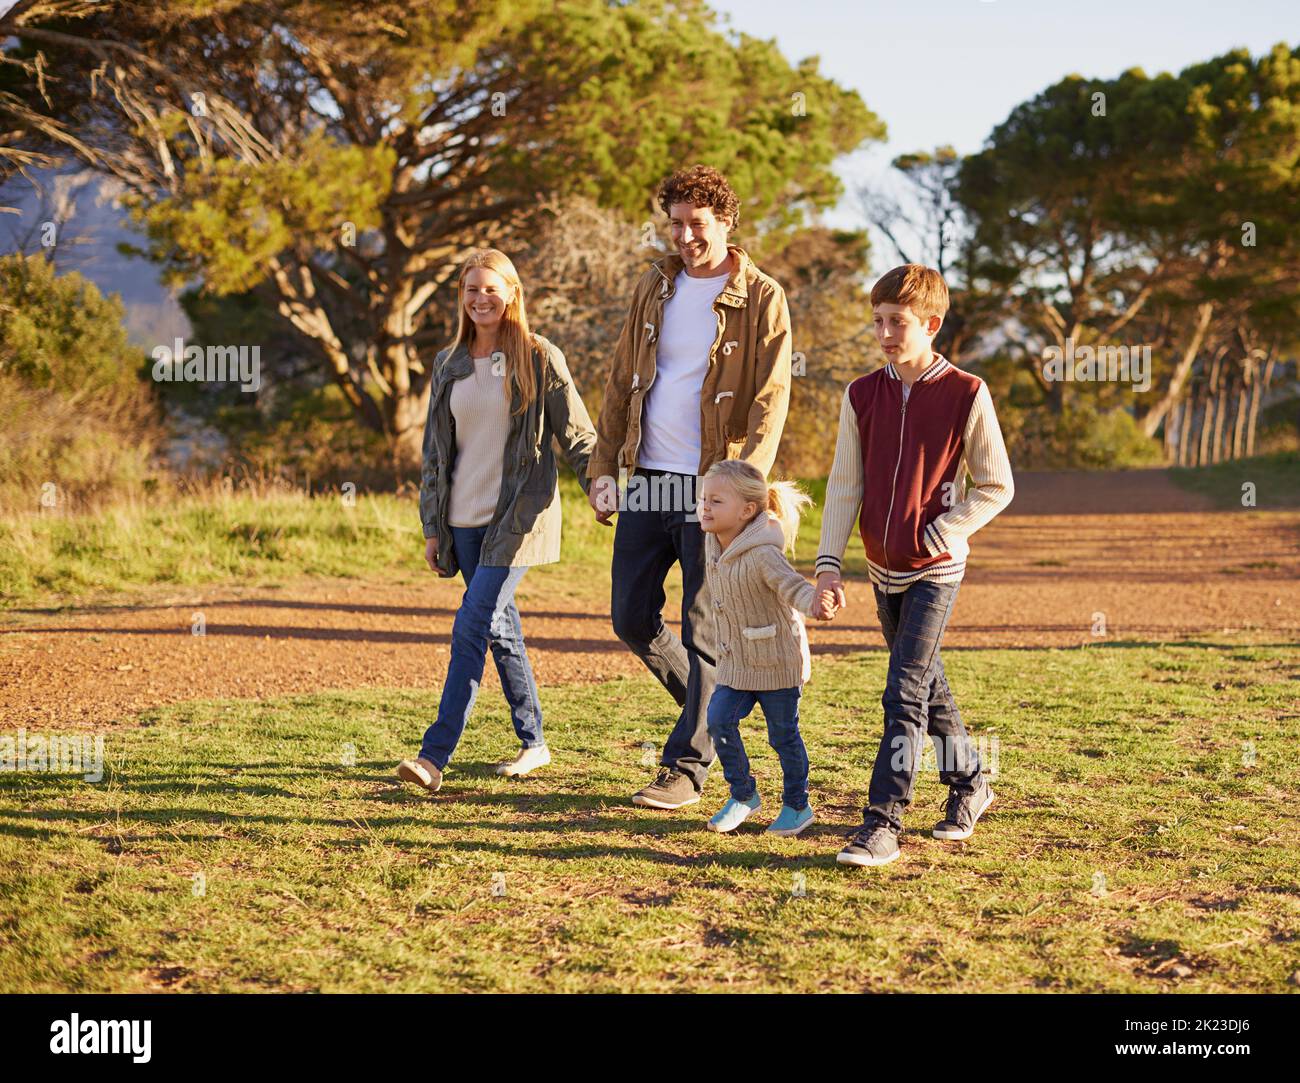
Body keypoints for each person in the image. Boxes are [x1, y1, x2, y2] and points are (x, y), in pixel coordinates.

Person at [586, 164, 794, 811]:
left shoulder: (761, 296)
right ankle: (713, 710)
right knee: (630, 616)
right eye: (674, 223)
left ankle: (686, 766)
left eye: (695, 223)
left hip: (713, 486)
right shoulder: (656, 286)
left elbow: (770, 398)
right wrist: (602, 468)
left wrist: (742, 490)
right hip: (649, 477)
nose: (684, 235)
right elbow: (622, 379)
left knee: (703, 627)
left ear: (725, 221)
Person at [815, 263, 1015, 867]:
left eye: (897, 322)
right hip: (881, 567)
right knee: (926, 682)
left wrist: (943, 529)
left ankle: (882, 825)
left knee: (903, 690)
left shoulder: (966, 392)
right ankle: (971, 781)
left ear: (931, 323)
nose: (884, 333)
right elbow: (844, 485)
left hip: (937, 567)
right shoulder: (860, 394)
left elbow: (996, 484)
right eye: (877, 321)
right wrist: (829, 565)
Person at [396, 248, 597, 793]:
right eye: (470, 290)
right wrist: (433, 527)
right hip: (463, 519)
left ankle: (434, 756)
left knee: (471, 624)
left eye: (491, 288)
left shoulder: (539, 356)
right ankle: (534, 742)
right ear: (461, 298)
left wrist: (599, 483)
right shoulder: (449, 362)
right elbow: (435, 452)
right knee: (499, 628)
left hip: (519, 516)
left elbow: (577, 435)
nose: (480, 298)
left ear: (512, 293)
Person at [696, 459, 836, 837]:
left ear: (747, 511)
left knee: (783, 736)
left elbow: (793, 586)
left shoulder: (762, 553)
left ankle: (797, 805)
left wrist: (815, 603)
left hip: (777, 662)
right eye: (704, 499)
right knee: (719, 719)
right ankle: (743, 794)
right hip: (737, 663)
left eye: (716, 501)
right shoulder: (713, 543)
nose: (705, 507)